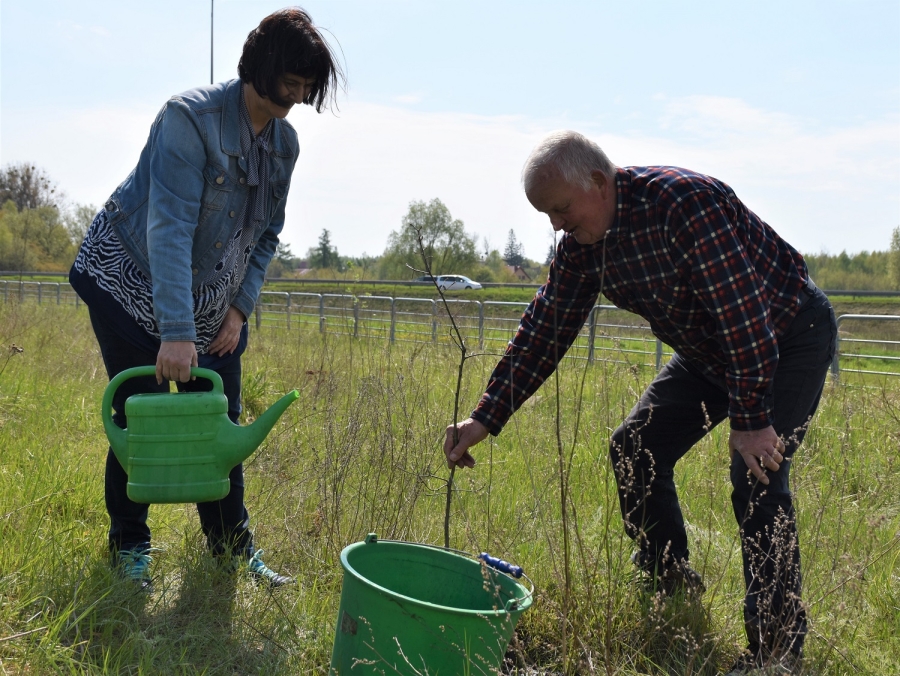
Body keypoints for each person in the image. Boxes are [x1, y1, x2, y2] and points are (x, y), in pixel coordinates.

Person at [444, 131, 836, 674]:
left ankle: (777, 652)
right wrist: (484, 417)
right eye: (547, 215)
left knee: (757, 475)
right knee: (636, 445)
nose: (556, 225)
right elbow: (544, 330)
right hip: (708, 350)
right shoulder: (583, 247)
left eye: (561, 209)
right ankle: (669, 581)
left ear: (598, 182)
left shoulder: (683, 206)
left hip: (786, 333)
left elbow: (745, 318)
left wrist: (750, 420)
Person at [69, 7, 343, 590]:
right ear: (261, 67)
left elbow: (266, 235)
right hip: (128, 278)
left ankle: (231, 550)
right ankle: (130, 548)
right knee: (143, 417)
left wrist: (239, 310)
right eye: (291, 81)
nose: (298, 96)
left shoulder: (285, 145)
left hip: (211, 298)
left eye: (307, 86)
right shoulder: (188, 120)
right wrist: (176, 333)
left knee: (220, 422)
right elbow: (168, 229)